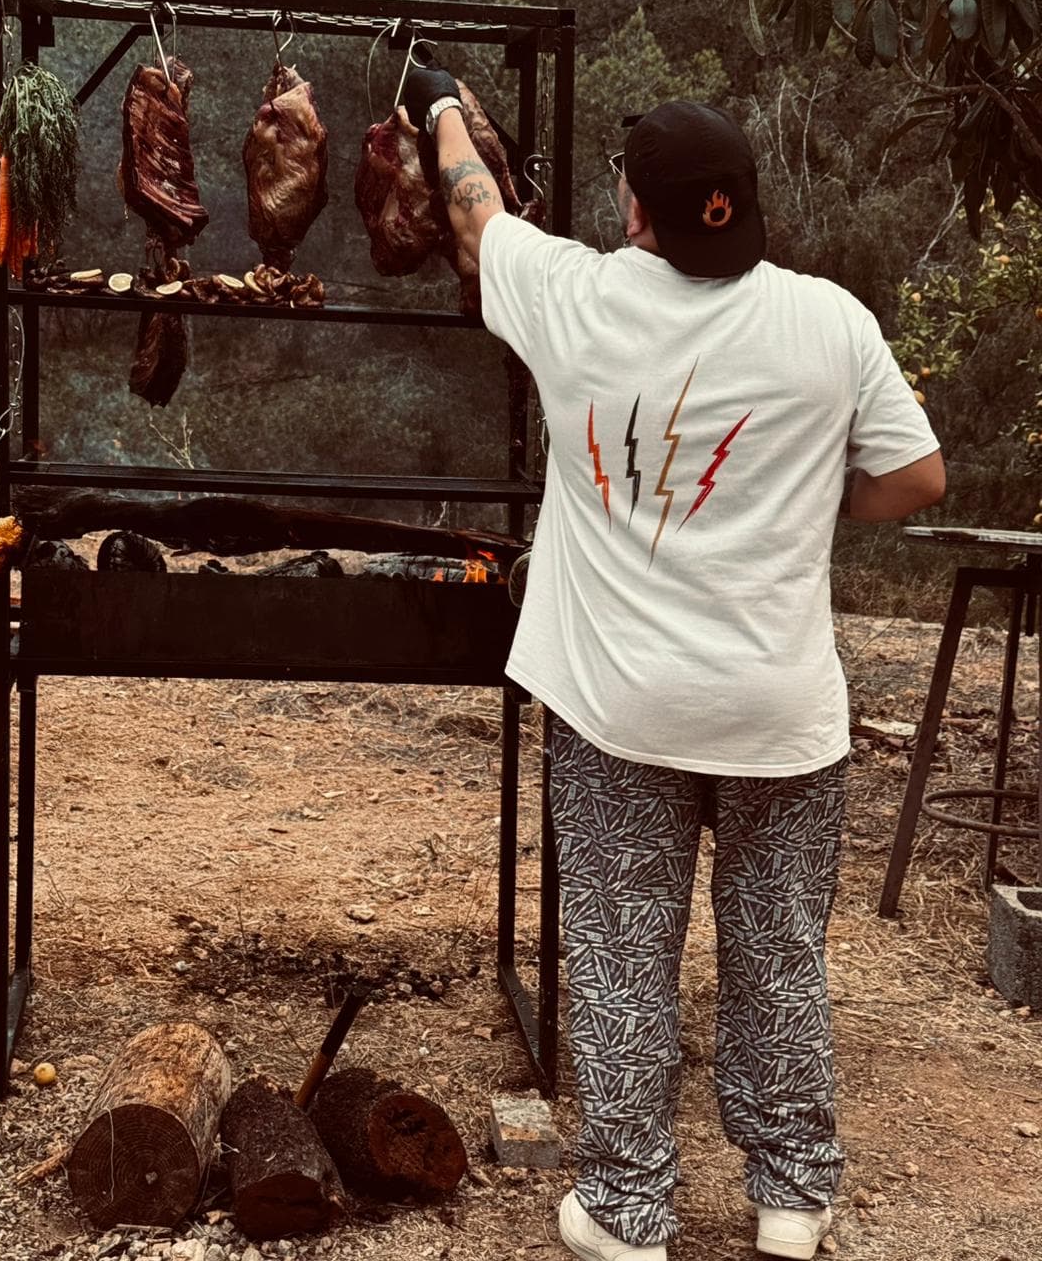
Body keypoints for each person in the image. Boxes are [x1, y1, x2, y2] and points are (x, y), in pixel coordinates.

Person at [402, 68, 945, 1261]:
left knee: (617, 952)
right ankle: (792, 1199)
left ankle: (628, 1212)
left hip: (621, 713)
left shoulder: (576, 293)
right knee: (779, 960)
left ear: (637, 211)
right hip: (783, 715)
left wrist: (443, 105)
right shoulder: (831, 320)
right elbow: (919, 478)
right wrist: (804, 506)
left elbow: (474, 212)